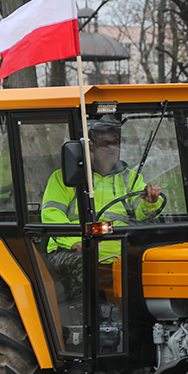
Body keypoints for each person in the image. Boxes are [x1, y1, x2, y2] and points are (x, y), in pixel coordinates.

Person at [41, 115, 161, 298]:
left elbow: (142, 213)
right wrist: (73, 241)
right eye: (105, 143)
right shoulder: (65, 178)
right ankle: (87, 321)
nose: (112, 148)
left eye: (116, 143)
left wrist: (150, 202)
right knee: (85, 265)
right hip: (70, 249)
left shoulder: (130, 178)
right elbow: (51, 215)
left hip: (118, 250)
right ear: (90, 147)